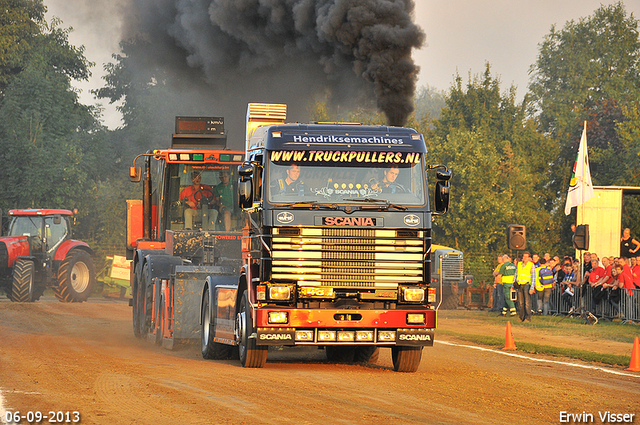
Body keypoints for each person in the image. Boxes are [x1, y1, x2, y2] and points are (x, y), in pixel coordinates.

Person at [514, 252, 536, 322]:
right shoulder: (519, 264)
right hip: (520, 285)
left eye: (526, 257)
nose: (525, 258)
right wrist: (513, 284)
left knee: (527, 303)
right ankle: (521, 317)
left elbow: (533, 277)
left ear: (529, 258)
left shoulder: (531, 265)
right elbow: (516, 274)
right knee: (521, 303)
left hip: (527, 285)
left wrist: (532, 287)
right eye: (524, 256)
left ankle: (527, 317)